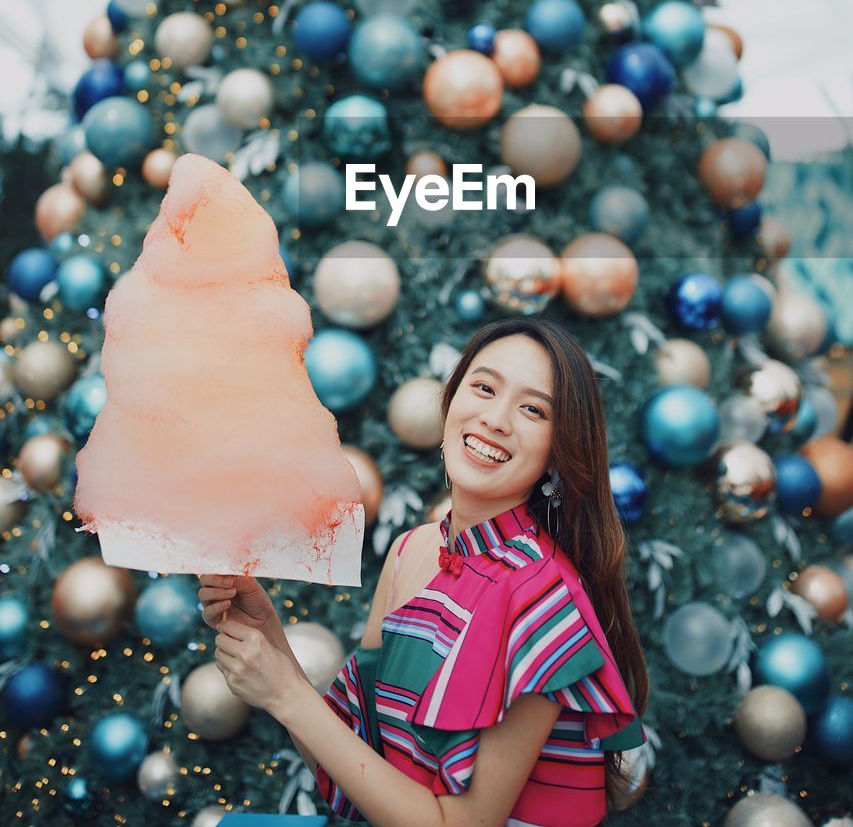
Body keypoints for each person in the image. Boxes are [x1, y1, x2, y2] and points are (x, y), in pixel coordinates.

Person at [199, 315, 650, 827]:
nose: (496, 419)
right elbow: (357, 772)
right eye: (483, 388)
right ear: (451, 401)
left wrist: (287, 694)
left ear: (557, 452)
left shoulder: (542, 600)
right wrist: (269, 638)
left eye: (532, 409)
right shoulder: (410, 551)